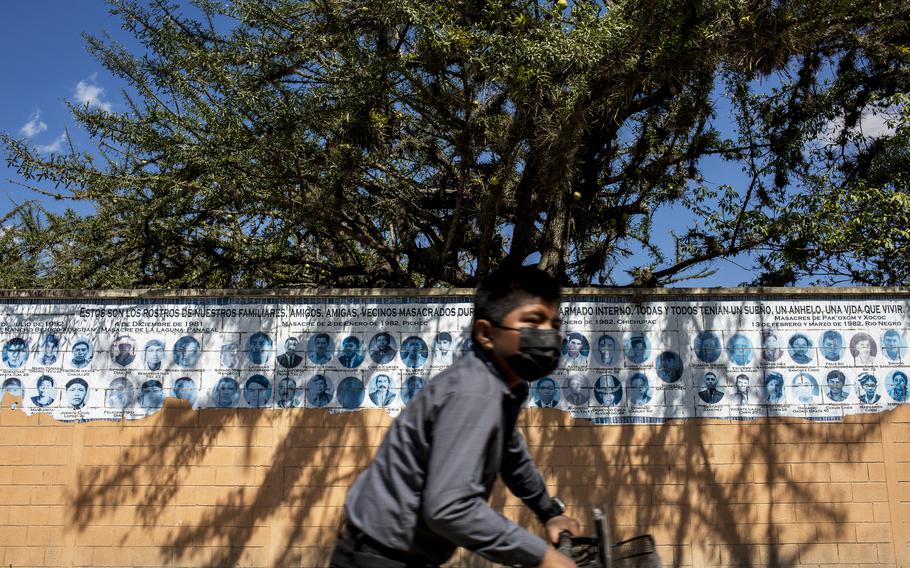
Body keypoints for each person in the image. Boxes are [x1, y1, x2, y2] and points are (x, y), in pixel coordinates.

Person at [331, 266, 580, 568]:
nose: (548, 336)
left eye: (554, 325)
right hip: (379, 557)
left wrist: (550, 512)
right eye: (532, 322)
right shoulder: (475, 391)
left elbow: (513, 458)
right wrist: (542, 557)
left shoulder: (501, 388)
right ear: (487, 333)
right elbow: (450, 508)